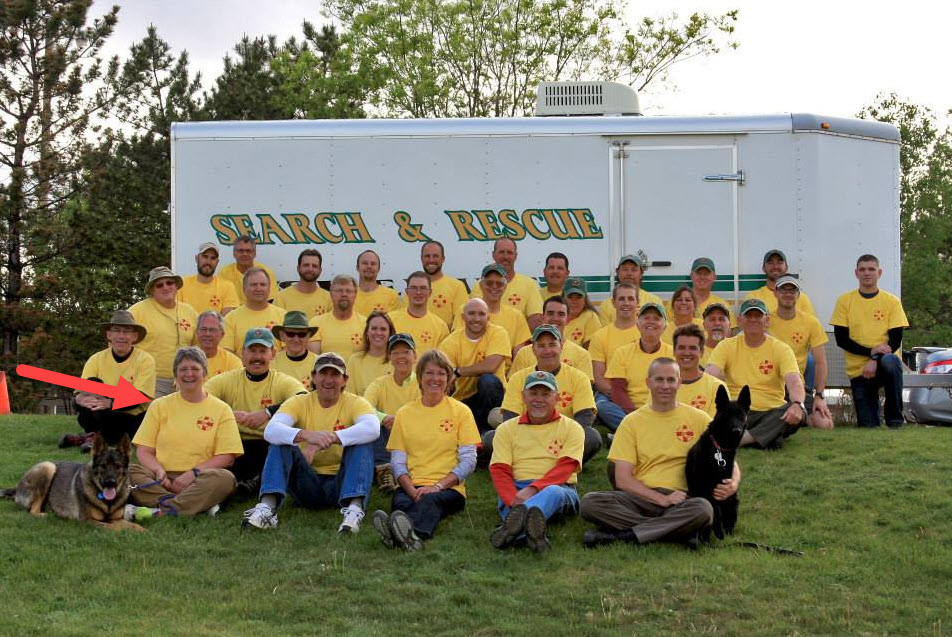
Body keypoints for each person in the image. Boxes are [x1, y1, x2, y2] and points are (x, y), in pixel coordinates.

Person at [580, 358, 739, 548]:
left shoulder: (699, 419)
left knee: (703, 509)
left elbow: (727, 458)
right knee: (590, 503)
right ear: (648, 382)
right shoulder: (631, 422)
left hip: (682, 499)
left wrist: (733, 482)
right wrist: (662, 499)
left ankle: (622, 535)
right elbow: (622, 479)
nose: (665, 386)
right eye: (659, 379)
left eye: (671, 380)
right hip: (640, 497)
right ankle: (677, 531)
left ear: (679, 383)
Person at [241, 352, 379, 532]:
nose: (328, 380)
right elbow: (271, 430)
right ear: (313, 377)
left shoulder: (356, 402)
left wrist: (332, 437)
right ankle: (267, 508)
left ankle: (354, 510)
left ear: (344, 380)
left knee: (363, 442)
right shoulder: (299, 401)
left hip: (342, 482)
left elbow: (372, 428)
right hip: (306, 481)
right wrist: (307, 435)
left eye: (335, 374)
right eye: (323, 373)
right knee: (279, 441)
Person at [372, 350, 481, 551]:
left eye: (441, 373)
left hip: (448, 489)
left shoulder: (461, 412)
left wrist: (438, 486)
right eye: (429, 373)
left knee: (430, 501)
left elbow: (469, 461)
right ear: (420, 377)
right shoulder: (404, 413)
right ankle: (402, 534)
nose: (435, 379)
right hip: (411, 486)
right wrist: (410, 489)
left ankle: (406, 535)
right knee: (401, 503)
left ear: (448, 379)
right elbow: (397, 461)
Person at [125, 347, 243, 519]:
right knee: (127, 471)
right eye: (183, 369)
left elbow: (227, 456)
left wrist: (192, 474)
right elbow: (144, 451)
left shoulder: (222, 409)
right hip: (161, 479)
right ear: (175, 374)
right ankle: (192, 505)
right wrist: (158, 471)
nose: (189, 374)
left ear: (205, 374)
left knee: (225, 479)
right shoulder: (159, 405)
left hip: (199, 478)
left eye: (195, 369)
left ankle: (159, 510)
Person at [488, 371, 584, 552]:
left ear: (556, 398)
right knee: (509, 499)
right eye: (533, 393)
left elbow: (565, 468)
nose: (539, 399)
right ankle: (532, 536)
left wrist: (531, 491)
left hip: (559, 488)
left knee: (553, 492)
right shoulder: (506, 429)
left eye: (546, 394)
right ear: (523, 397)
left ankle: (513, 531)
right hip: (516, 489)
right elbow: (499, 469)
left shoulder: (573, 428)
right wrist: (513, 499)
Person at [204, 328, 308, 487]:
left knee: (276, 448)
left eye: (263, 351)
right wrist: (228, 414)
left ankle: (251, 483)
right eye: (252, 351)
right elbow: (200, 399)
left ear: (273, 354)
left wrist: (267, 412)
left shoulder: (281, 381)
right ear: (242, 353)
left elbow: (303, 399)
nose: (257, 357)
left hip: (267, 443)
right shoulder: (227, 380)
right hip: (235, 444)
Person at [487, 325, 601, 464]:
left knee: (591, 437)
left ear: (561, 346)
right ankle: (538, 463)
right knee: (491, 438)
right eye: (541, 346)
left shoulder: (579, 377)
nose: (547, 351)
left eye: (552, 345)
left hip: (562, 438)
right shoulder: (518, 378)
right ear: (533, 350)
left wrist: (559, 438)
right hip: (526, 436)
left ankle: (553, 465)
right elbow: (510, 418)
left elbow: (584, 418)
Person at [706, 299, 805, 449]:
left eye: (758, 316)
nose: (753, 319)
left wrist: (797, 404)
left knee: (798, 409)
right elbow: (710, 377)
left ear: (767, 320)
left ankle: (743, 439)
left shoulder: (781, 349)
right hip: (737, 411)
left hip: (771, 412)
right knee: (724, 412)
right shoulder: (725, 346)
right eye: (748, 316)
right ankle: (767, 437)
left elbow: (794, 382)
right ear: (740, 321)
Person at [831, 254, 909, 428]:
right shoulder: (845, 301)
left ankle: (895, 421)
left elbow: (895, 340)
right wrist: (870, 352)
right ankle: (872, 421)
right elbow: (841, 340)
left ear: (879, 273)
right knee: (868, 426)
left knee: (890, 361)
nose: (867, 273)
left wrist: (875, 359)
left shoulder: (892, 302)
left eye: (871, 269)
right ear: (856, 273)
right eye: (862, 269)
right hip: (859, 370)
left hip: (884, 363)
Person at [60, 310, 156, 451]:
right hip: (101, 413)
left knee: (112, 421)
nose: (121, 336)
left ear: (134, 336)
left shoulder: (145, 360)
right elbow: (80, 393)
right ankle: (91, 437)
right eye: (116, 331)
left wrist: (110, 403)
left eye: (126, 332)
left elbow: (138, 397)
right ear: (109, 335)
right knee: (92, 387)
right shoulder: (95, 359)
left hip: (133, 417)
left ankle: (85, 438)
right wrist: (79, 400)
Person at [769, 276, 833, 429]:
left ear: (798, 295)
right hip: (770, 386)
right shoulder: (765, 321)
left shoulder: (811, 322)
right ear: (775, 293)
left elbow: (821, 362)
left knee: (825, 424)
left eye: (793, 291)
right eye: (784, 290)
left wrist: (819, 396)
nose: (788, 294)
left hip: (796, 387)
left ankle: (799, 416)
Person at [598, 303, 674, 432]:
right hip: (628, 410)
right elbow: (618, 390)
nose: (651, 322)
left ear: (665, 326)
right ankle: (640, 430)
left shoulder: (673, 354)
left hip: (662, 408)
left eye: (656, 318)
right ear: (637, 324)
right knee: (602, 406)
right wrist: (636, 415)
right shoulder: (622, 352)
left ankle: (629, 433)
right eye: (646, 318)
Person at [438, 298, 510, 433]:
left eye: (481, 314)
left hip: (494, 398)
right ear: (463, 317)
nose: (476, 318)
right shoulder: (450, 342)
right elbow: (445, 377)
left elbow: (491, 366)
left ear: (488, 317)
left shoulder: (498, 333)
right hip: (464, 399)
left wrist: (458, 372)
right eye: (471, 313)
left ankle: (489, 431)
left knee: (488, 381)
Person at [128, 266, 198, 397]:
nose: (165, 287)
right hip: (150, 381)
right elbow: (118, 345)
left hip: (185, 380)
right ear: (152, 290)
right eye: (159, 285)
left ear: (176, 286)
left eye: (169, 283)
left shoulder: (189, 311)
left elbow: (197, 347)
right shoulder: (136, 312)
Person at [365, 334, 421, 493]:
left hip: (414, 435)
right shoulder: (379, 383)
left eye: (406, 352)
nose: (401, 356)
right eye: (395, 353)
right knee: (372, 422)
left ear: (415, 356)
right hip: (387, 437)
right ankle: (385, 471)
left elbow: (427, 411)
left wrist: (400, 420)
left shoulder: (423, 382)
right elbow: (364, 407)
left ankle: (400, 472)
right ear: (390, 357)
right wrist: (384, 418)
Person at [589, 284, 642, 428]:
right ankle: (635, 430)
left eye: (630, 299)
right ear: (613, 302)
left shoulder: (646, 332)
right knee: (601, 405)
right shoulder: (600, 336)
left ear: (638, 302)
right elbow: (599, 379)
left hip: (642, 389)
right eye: (621, 299)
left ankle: (626, 431)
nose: (626, 303)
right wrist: (620, 396)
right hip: (611, 393)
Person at [510, 296, 594, 381]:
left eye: (561, 314)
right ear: (543, 317)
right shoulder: (523, 353)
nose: (555, 318)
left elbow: (584, 386)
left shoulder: (582, 355)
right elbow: (515, 384)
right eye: (550, 313)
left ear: (568, 319)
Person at [471, 238, 543, 329]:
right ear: (493, 255)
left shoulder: (529, 284)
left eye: (509, 253)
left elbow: (536, 319)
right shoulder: (480, 285)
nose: (505, 257)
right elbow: (473, 317)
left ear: (515, 256)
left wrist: (518, 335)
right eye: (501, 252)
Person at [222, 267, 287, 353]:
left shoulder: (284, 317)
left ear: (269, 289)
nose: (258, 288)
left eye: (262, 284)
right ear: (244, 289)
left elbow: (288, 353)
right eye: (253, 285)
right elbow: (227, 354)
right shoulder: (230, 319)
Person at [474, 263, 531, 357]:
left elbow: (519, 355)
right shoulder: (466, 312)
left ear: (505, 287)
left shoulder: (516, 316)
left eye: (499, 283)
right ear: (481, 285)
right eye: (489, 283)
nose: (494, 286)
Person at [388, 271, 450, 353]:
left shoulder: (440, 326)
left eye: (423, 288)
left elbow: (441, 358)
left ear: (430, 292)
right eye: (413, 288)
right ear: (407, 292)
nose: (418, 292)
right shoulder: (389, 320)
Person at [673, 324, 726, 418]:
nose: (687, 353)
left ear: (701, 352)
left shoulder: (716, 387)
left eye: (692, 348)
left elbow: (717, 424)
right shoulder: (662, 385)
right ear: (674, 351)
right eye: (682, 347)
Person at [308, 274, 367, 357]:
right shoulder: (316, 323)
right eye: (339, 290)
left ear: (355, 295)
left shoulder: (366, 324)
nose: (344, 294)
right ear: (331, 294)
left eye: (348, 291)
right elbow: (314, 359)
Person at [744, 249, 816, 316]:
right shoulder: (753, 297)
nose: (775, 266)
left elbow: (810, 324)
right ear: (763, 268)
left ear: (786, 268)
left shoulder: (801, 298)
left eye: (779, 263)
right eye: (770, 263)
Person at [177, 242, 240, 315]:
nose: (208, 262)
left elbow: (226, 319)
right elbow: (177, 314)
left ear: (217, 262)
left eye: (213, 258)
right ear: (197, 258)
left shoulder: (227, 287)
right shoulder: (182, 284)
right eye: (205, 257)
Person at [599, 254, 662, 325]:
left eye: (634, 270)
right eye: (625, 269)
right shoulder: (606, 305)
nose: (629, 273)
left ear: (641, 274)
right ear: (618, 272)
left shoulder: (654, 301)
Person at [420, 240, 469, 330]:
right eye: (427, 256)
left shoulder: (457, 286)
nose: (431, 260)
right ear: (421, 259)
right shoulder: (414, 288)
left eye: (435, 256)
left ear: (443, 259)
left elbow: (461, 322)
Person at [344, 311, 395, 395]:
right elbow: (349, 395)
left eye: (383, 329)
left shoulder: (397, 360)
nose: (378, 333)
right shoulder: (355, 360)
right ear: (367, 332)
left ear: (390, 333)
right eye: (374, 328)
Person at [218, 235, 279, 304]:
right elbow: (220, 300)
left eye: (248, 251)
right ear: (234, 254)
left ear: (254, 253)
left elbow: (271, 302)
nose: (245, 254)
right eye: (241, 251)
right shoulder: (224, 273)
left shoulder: (266, 273)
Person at [273, 249, 332, 319]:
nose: (310, 269)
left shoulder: (329, 299)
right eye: (306, 265)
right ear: (298, 268)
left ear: (320, 270)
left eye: (314, 266)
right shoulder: (281, 298)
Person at [271, 311, 318, 389]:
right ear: (282, 336)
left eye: (302, 334)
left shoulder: (318, 363)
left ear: (308, 336)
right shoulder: (272, 363)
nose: (296, 339)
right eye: (290, 334)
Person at [195, 310, 242, 378]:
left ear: (222, 334)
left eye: (212, 330)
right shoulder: (185, 359)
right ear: (197, 332)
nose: (207, 334)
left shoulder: (232, 362)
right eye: (203, 329)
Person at [354, 249, 401, 316]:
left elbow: (396, 321)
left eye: (373, 264)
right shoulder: (348, 295)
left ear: (379, 269)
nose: (369, 266)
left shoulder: (391, 295)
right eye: (365, 263)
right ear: (357, 267)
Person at [686, 258, 734, 322]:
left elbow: (731, 328)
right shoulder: (678, 303)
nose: (702, 277)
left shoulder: (723, 306)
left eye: (706, 274)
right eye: (699, 273)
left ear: (714, 277)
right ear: (691, 276)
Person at [563, 277, 602, 348]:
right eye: (570, 297)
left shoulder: (590, 317)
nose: (574, 301)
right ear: (563, 298)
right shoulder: (555, 317)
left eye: (578, 297)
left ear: (585, 299)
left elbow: (591, 350)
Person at [701, 303, 732, 367]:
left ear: (729, 325)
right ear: (704, 325)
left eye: (721, 319)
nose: (717, 323)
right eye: (712, 319)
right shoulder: (694, 351)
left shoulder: (737, 350)